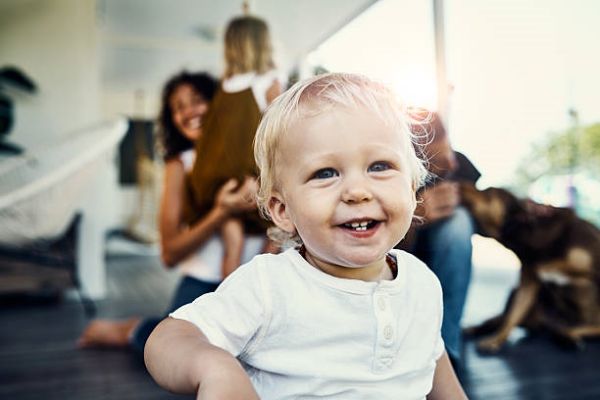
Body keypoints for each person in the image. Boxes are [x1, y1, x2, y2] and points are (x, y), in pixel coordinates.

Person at [144, 73, 467, 399]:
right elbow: (169, 338)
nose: (357, 191)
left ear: (412, 189)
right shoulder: (269, 286)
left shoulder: (423, 284)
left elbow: (432, 364)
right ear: (282, 209)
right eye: (325, 173)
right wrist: (215, 368)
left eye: (380, 166)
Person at [78, 71, 266, 352]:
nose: (188, 111)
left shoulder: (256, 153)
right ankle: (133, 329)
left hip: (256, 279)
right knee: (179, 349)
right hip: (204, 281)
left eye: (197, 100)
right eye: (178, 107)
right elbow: (169, 254)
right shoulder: (181, 164)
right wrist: (220, 212)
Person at [186, 15, 282, 276]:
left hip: (218, 183)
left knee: (233, 246)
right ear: (263, 44)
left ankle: (228, 303)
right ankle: (254, 294)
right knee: (277, 236)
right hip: (251, 179)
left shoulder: (225, 85)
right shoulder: (267, 82)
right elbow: (280, 131)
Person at [398, 110, 480, 368]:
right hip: (403, 251)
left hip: (445, 254)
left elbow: (484, 216)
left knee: (459, 224)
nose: (451, 164)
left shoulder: (461, 165)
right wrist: (414, 215)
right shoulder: (397, 173)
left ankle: (445, 352)